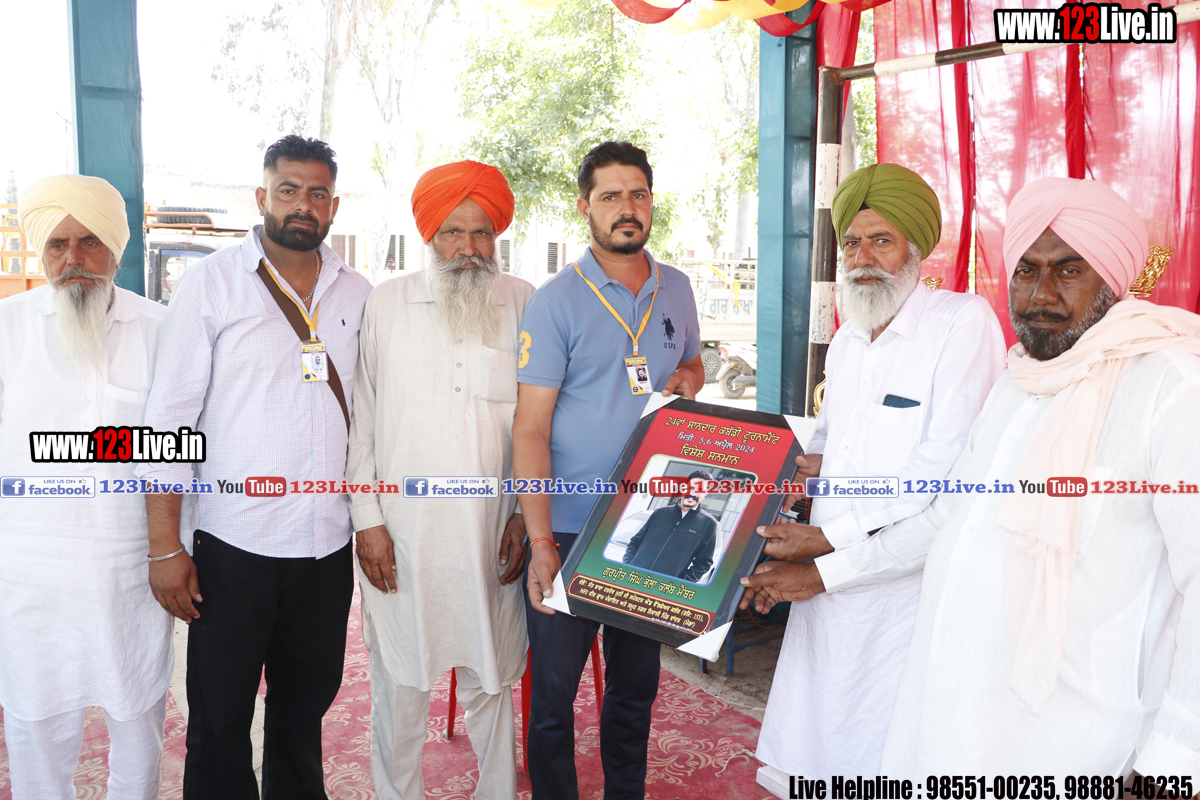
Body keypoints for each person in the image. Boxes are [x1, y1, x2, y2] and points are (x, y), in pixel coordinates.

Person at [851, 177, 1200, 779]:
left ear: (1112, 279)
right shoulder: (1016, 381)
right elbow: (949, 517)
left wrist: (1177, 763)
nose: (1041, 294)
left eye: (1069, 271)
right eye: (1025, 271)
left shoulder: (1171, 387)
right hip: (947, 714)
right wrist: (823, 573)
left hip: (1076, 743)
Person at [740, 163, 1006, 788]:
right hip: (825, 580)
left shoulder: (962, 323)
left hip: (903, 582)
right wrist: (779, 477)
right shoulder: (848, 340)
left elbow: (941, 469)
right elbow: (828, 447)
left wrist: (826, 540)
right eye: (852, 243)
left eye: (881, 240)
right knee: (821, 739)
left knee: (891, 749)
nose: (862, 259)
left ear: (916, 247)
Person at [135, 135, 372, 799]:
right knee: (220, 717)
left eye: (318, 193)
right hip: (234, 547)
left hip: (325, 547)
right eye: (289, 190)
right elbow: (167, 423)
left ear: (333, 206)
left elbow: (372, 414)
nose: (303, 205)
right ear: (262, 196)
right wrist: (164, 547)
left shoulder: (357, 293)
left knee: (303, 713)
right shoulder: (211, 284)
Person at [514, 141, 705, 799]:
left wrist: (687, 378)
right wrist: (540, 541)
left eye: (638, 194)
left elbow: (692, 362)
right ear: (584, 207)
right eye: (611, 196)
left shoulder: (677, 287)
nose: (628, 208)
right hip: (569, 529)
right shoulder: (556, 301)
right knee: (552, 699)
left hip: (645, 526)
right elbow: (530, 428)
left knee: (634, 692)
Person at [347, 160, 533, 800]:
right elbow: (362, 423)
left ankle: (497, 792)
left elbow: (537, 423)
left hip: (491, 532)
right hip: (403, 535)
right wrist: (367, 521)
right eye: (453, 232)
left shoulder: (523, 301)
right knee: (401, 685)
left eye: (481, 232)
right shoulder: (388, 303)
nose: (468, 248)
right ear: (429, 236)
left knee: (492, 680)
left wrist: (523, 514)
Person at [1, 174, 173, 799]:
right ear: (42, 252)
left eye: (89, 241)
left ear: (116, 250)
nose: (73, 258)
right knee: (36, 733)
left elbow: (181, 449)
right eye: (57, 244)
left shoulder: (161, 329)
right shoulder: (7, 328)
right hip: (28, 575)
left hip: (127, 571)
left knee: (137, 728)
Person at [622, 470, 718, 582]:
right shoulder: (660, 513)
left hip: (665, 587)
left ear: (706, 493)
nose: (693, 494)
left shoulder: (708, 524)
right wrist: (628, 565)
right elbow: (635, 542)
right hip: (633, 579)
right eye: (691, 488)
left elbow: (703, 563)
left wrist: (680, 583)